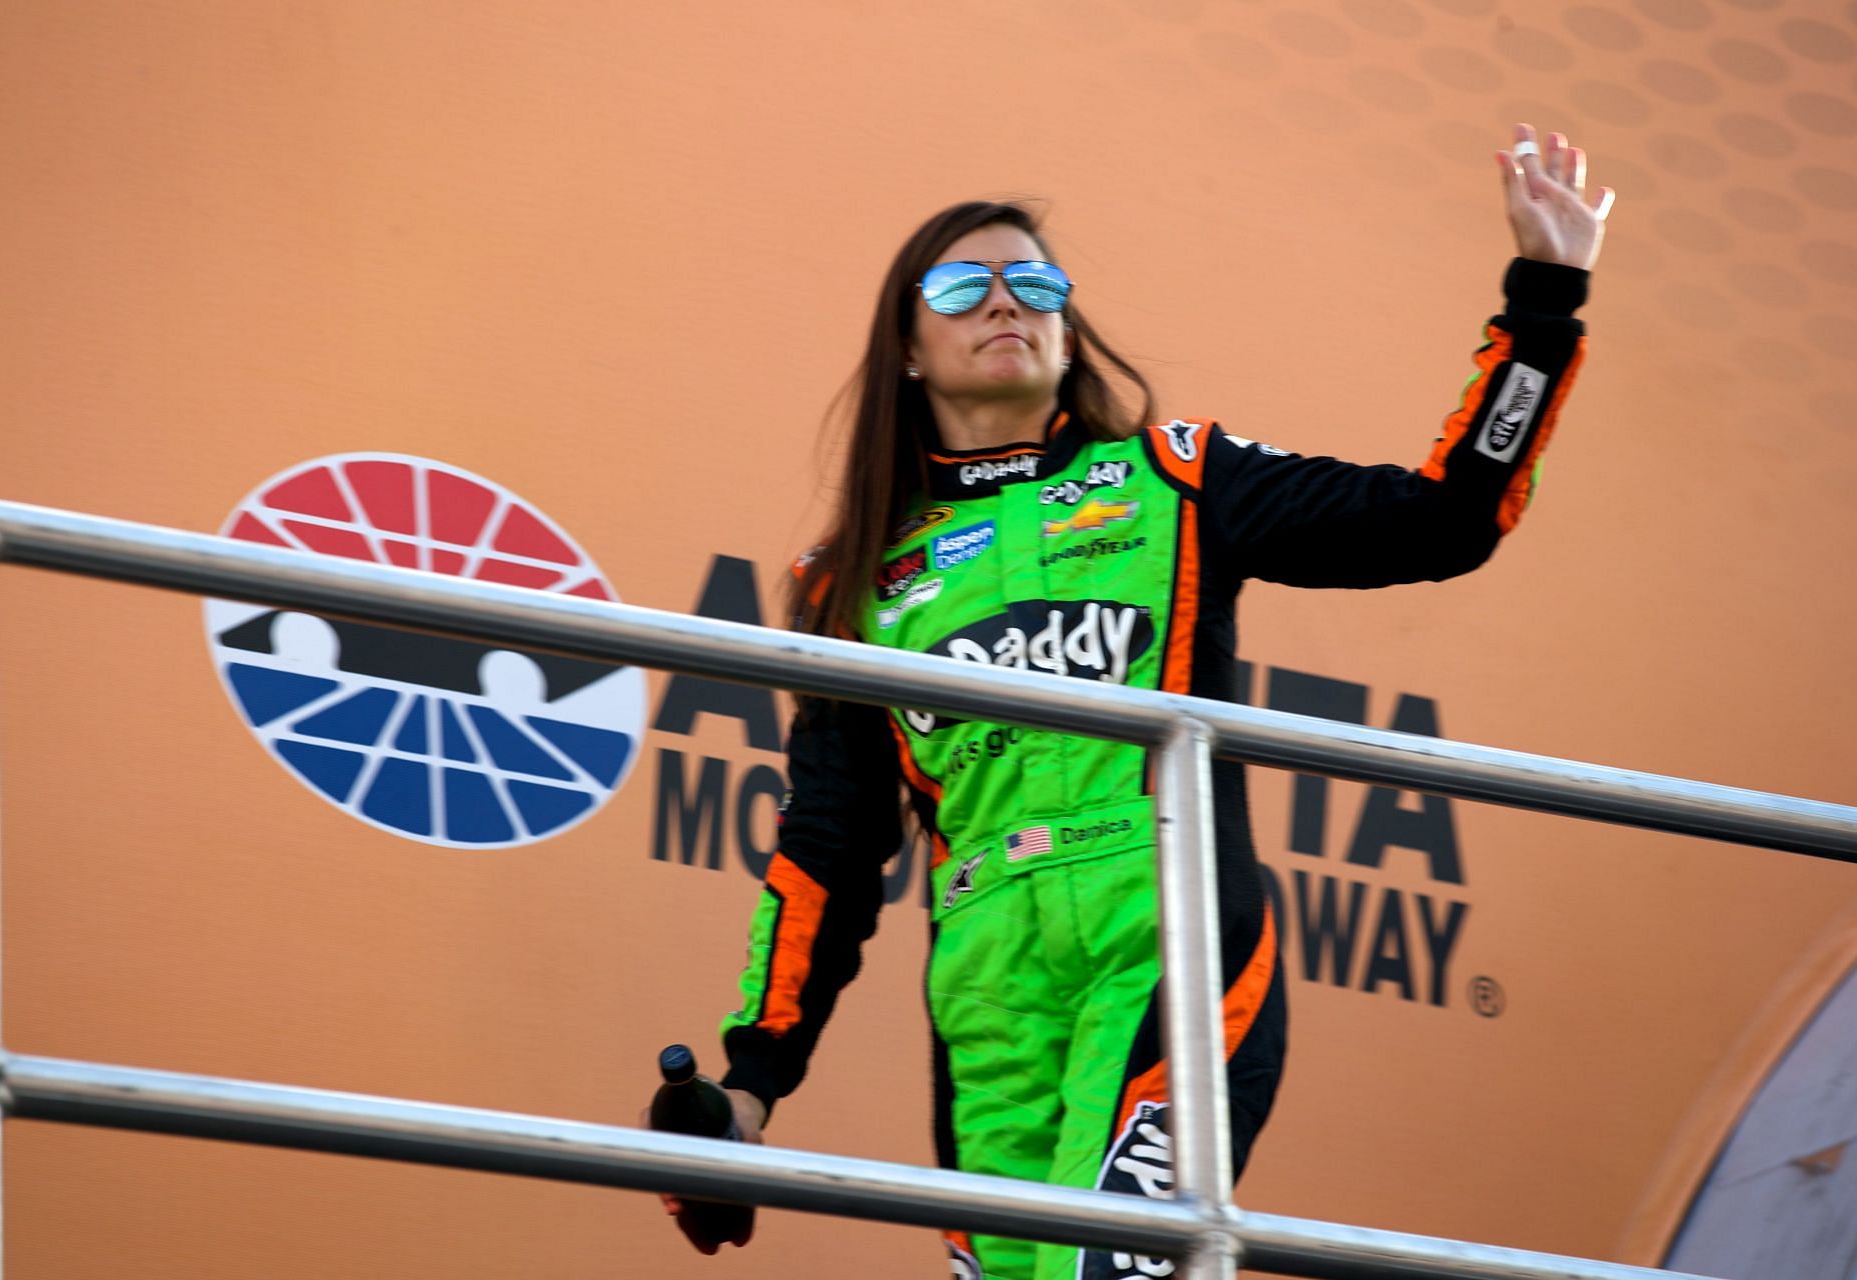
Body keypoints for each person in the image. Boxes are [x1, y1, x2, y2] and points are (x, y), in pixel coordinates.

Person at [660, 123, 1613, 1279]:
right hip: (986, 986)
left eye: (1037, 283)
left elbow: (1445, 518)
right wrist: (752, 1086)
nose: (1006, 303)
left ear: (1068, 330)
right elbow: (826, 851)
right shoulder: (850, 574)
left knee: (1104, 1273)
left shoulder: (1177, 474)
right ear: (906, 344)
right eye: (964, 284)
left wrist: (1545, 300)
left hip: (1166, 935)